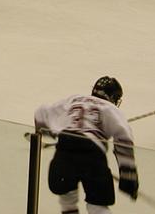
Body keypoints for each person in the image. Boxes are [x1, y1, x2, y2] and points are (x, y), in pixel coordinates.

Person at [34, 76, 139, 214]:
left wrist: (49, 132)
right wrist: (128, 175)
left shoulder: (74, 99)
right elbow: (124, 139)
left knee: (67, 196)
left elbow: (41, 113)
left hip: (65, 149)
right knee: (98, 205)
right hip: (92, 153)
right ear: (113, 97)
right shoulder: (111, 108)